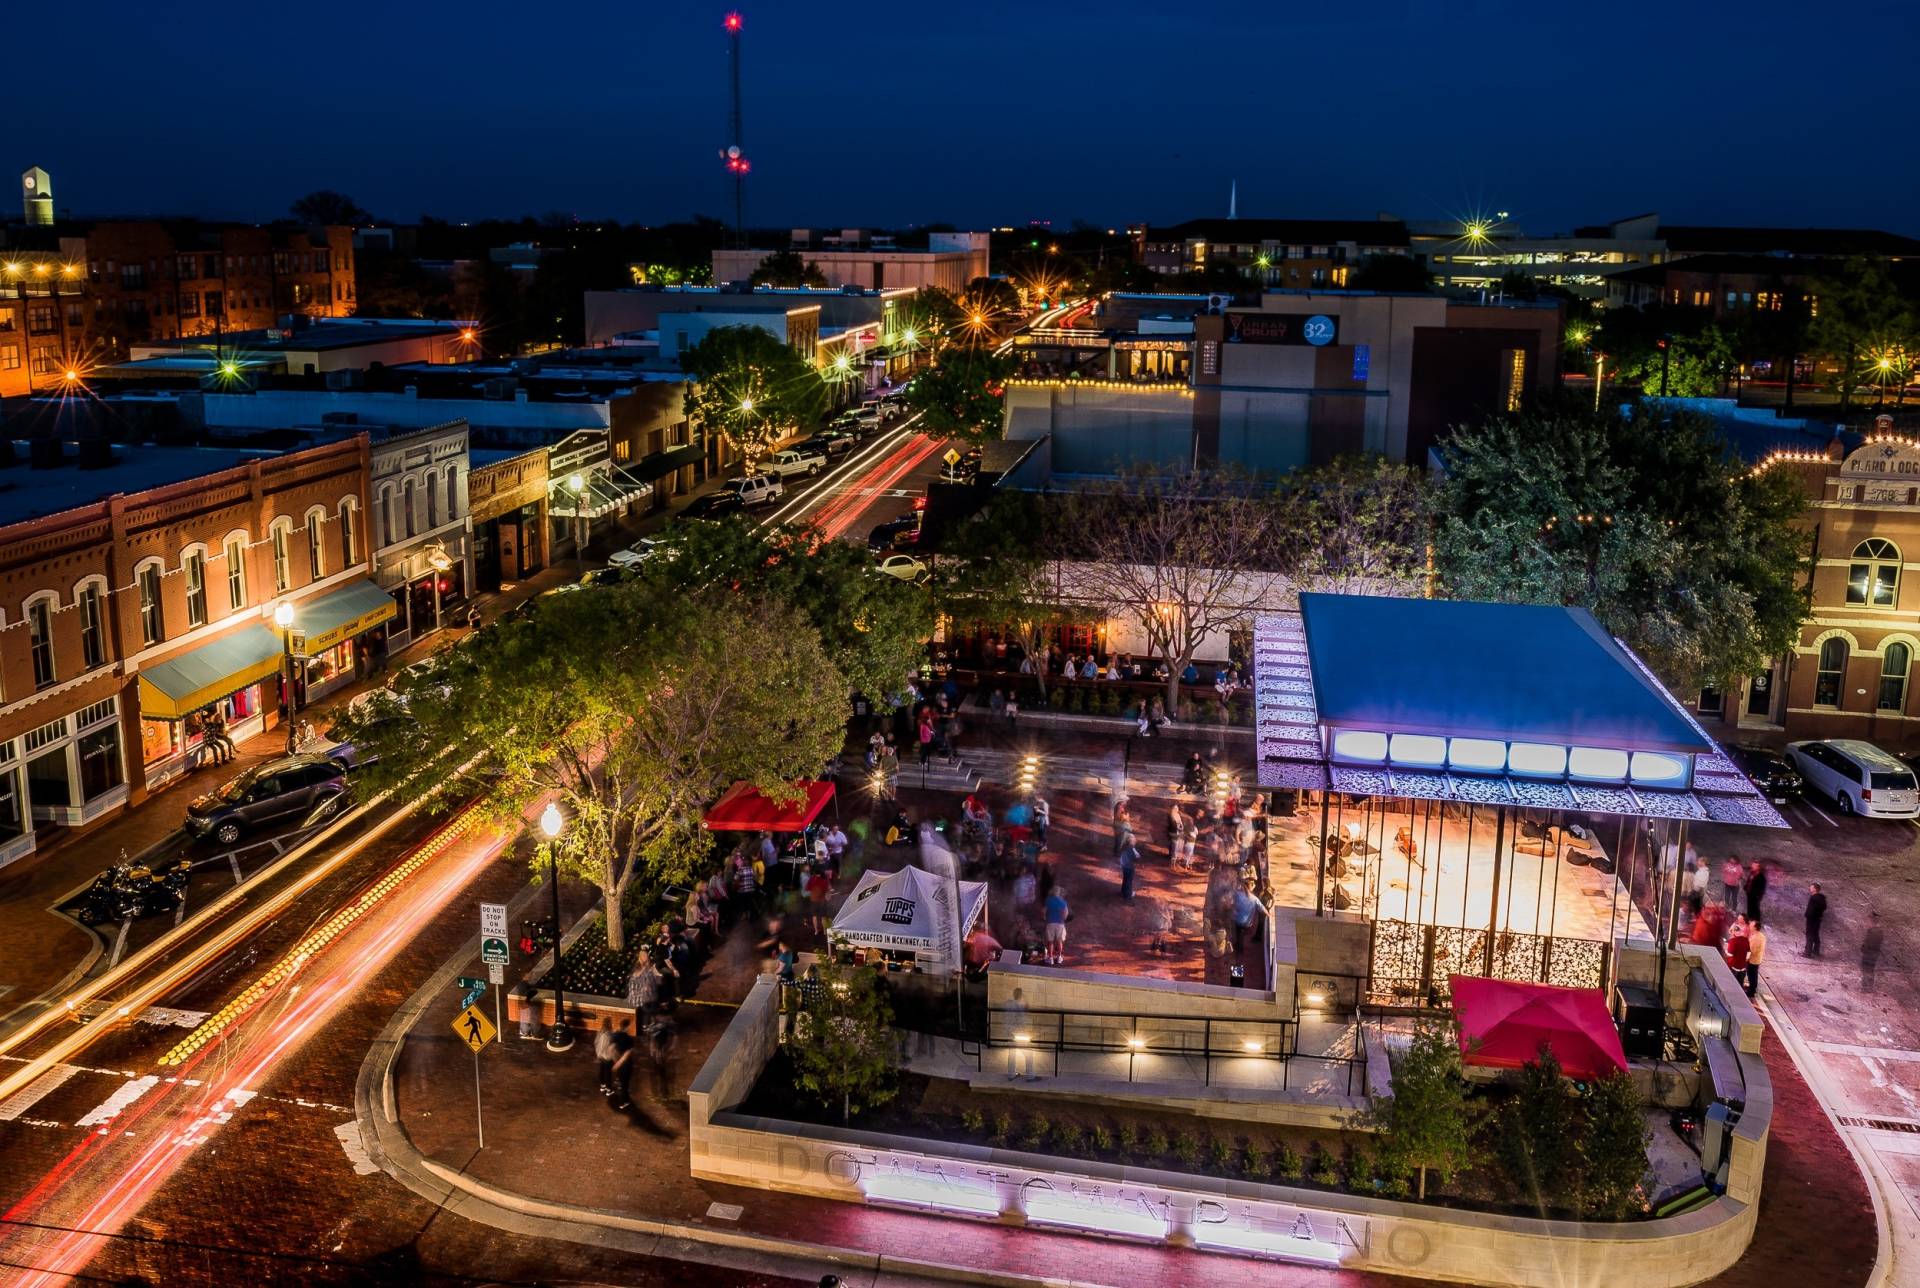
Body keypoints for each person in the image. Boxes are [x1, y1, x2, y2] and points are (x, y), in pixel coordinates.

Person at [1005, 987, 1036, 1080]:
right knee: (1029, 1053)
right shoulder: (1018, 1006)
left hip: (1009, 1032)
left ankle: (1011, 1074)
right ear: (1020, 995)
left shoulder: (1008, 1004)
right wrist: (1025, 997)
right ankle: (1030, 1075)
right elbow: (1026, 1008)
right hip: (1017, 1034)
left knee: (1012, 1053)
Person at [645, 1016, 677, 1101]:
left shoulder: (657, 1031)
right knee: (659, 1076)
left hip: (659, 1056)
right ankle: (661, 1095)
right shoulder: (659, 1029)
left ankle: (662, 1095)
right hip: (658, 1055)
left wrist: (656, 1052)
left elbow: (654, 1043)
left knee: (660, 1076)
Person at [627, 956, 662, 1034]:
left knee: (651, 1012)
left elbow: (659, 982)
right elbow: (633, 993)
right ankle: (647, 1027)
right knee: (648, 1012)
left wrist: (656, 973)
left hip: (651, 998)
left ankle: (650, 1025)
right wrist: (642, 989)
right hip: (644, 1000)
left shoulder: (648, 973)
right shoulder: (633, 980)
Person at [607, 1018, 635, 1110]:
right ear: (627, 1027)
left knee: (621, 1080)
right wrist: (619, 1063)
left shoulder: (615, 1035)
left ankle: (620, 1088)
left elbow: (610, 1049)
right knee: (625, 1084)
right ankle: (624, 1102)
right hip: (625, 1065)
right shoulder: (629, 1039)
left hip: (617, 1062)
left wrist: (615, 1060)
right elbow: (626, 1054)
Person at [1231, 881, 1261, 957]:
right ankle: (1239, 947)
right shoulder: (1252, 898)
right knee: (1241, 935)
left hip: (1239, 920)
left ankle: (1238, 948)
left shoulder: (1241, 896)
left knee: (1239, 934)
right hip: (1245, 921)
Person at [1043, 887, 1070, 966]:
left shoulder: (1048, 901)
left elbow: (1043, 911)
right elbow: (1066, 913)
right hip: (1060, 924)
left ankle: (1050, 958)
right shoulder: (1063, 902)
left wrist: (1045, 918)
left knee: (1050, 942)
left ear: (1052, 892)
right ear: (1059, 893)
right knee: (1059, 941)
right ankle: (1059, 957)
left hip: (1050, 923)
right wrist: (1063, 919)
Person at [594, 1017, 619, 1095]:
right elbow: (611, 1046)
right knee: (608, 1073)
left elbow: (596, 1042)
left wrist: (598, 1053)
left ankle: (602, 1085)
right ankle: (609, 1089)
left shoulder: (600, 1032)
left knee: (602, 1070)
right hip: (607, 1057)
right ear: (609, 1024)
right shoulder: (609, 1034)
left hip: (600, 1055)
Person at [1724, 917, 1751, 986]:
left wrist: (1725, 950)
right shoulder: (1746, 940)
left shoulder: (1733, 941)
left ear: (1733, 932)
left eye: (1731, 932)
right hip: (1743, 967)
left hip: (1733, 966)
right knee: (1740, 984)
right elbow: (1748, 953)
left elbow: (1730, 954)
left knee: (1731, 984)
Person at [1861, 911, 1884, 992]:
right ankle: (1868, 987)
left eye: (1868, 921)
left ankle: (1866, 988)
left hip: (1869, 953)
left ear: (1872, 922)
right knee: (1870, 970)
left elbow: (1869, 943)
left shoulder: (1873, 931)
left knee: (1867, 970)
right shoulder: (1879, 931)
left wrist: (1864, 948)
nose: (1867, 923)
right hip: (1874, 953)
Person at [1745, 918, 1766, 998]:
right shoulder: (1760, 935)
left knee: (1752, 975)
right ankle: (1752, 987)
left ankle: (1751, 991)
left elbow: (1751, 950)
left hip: (1753, 960)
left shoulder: (1757, 938)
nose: (1749, 926)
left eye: (1751, 925)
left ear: (1755, 927)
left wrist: (1746, 959)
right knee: (1754, 974)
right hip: (1757, 959)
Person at [1805, 883, 1828, 957]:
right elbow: (1824, 907)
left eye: (1811, 887)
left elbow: (1811, 910)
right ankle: (1816, 951)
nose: (1810, 888)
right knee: (1815, 935)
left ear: (1815, 889)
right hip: (1817, 919)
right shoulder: (1822, 898)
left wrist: (1808, 915)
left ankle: (1807, 953)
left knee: (1809, 935)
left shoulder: (1814, 897)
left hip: (1812, 919)